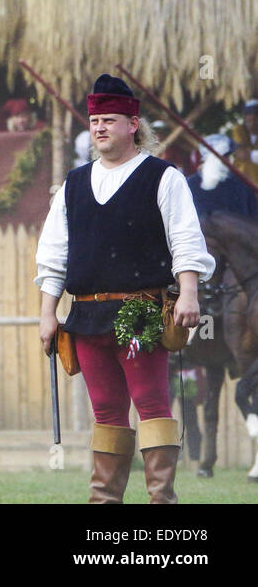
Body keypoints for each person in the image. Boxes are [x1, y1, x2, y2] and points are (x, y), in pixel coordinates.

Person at [36, 74, 212, 504]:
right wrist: (47, 314)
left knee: (151, 404)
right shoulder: (73, 185)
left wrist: (188, 292)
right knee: (107, 413)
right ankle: (104, 501)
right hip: (87, 316)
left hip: (142, 314)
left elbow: (185, 239)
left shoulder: (162, 177)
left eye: (109, 120)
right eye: (94, 120)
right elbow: (53, 254)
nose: (99, 127)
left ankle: (160, 501)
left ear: (133, 124)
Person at [188, 134, 258, 219]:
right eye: (224, 156)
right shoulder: (189, 186)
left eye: (229, 156)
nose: (228, 161)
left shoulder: (241, 181)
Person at [228, 100, 258, 186]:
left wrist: (251, 155)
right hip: (243, 183)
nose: (251, 122)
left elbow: (245, 154)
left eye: (255, 118)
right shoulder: (239, 130)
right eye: (248, 118)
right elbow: (241, 154)